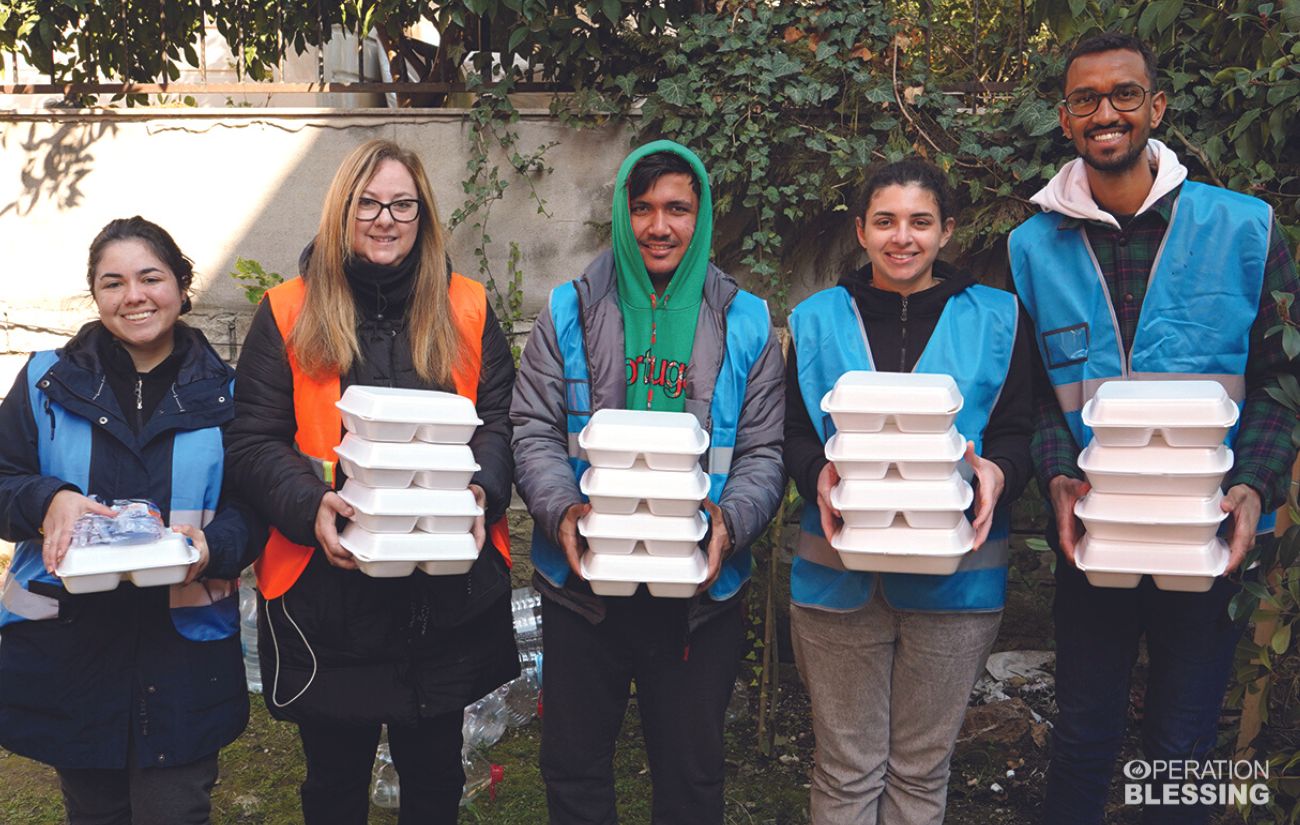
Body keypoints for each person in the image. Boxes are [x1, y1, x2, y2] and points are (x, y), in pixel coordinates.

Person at [1008, 33, 1300, 824]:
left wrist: (1252, 488)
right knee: (1083, 733)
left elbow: (1283, 380)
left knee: (1186, 739)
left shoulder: (1245, 228)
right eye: (1087, 99)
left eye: (1125, 95)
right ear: (1065, 118)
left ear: (1156, 107)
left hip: (1211, 533)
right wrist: (1060, 476)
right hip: (1093, 533)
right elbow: (1033, 398)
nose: (1106, 113)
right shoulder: (1031, 246)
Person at [224, 139, 519, 825]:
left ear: (423, 215)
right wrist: (309, 505)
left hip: (443, 593)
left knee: (434, 781)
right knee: (333, 785)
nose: (385, 219)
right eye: (368, 203)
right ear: (342, 211)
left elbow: (500, 420)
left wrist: (484, 491)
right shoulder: (289, 311)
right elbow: (253, 438)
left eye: (402, 205)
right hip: (331, 596)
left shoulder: (466, 307)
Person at [511, 140, 785, 825]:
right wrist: (562, 512)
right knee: (573, 770)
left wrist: (728, 524)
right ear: (620, 214)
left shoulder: (744, 320)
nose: (658, 226)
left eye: (676, 209)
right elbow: (534, 428)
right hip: (584, 591)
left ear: (702, 217)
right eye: (641, 208)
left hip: (699, 593)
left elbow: (763, 452)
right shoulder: (569, 310)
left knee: (691, 777)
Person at [783, 159, 1034, 824]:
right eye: (886, 221)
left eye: (921, 221)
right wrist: (818, 475)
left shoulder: (1000, 319)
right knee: (844, 767)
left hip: (958, 586)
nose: (904, 237)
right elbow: (793, 436)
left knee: (922, 769)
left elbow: (1017, 432)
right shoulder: (814, 321)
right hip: (837, 580)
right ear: (861, 231)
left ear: (947, 230)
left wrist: (999, 473)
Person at [0, 216, 261, 825]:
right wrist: (46, 499)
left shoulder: (229, 394)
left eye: (150, 277)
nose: (133, 296)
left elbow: (254, 510)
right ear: (96, 295)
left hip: (183, 652)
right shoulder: (45, 383)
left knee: (174, 809)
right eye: (112, 282)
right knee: (93, 811)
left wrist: (211, 546)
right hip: (73, 645)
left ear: (182, 285)